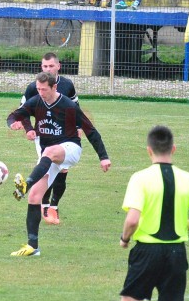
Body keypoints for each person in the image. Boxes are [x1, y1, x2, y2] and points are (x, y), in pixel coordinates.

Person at [7, 72, 111, 256]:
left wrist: (103, 156)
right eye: (38, 89)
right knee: (35, 197)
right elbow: (14, 115)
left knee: (48, 152)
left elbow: (91, 131)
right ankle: (33, 247)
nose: (40, 92)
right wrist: (13, 123)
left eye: (44, 89)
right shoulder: (36, 101)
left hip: (70, 149)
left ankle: (25, 185)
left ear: (54, 87)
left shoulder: (68, 105)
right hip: (50, 156)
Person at [119, 125, 189, 301]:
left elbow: (132, 220)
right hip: (176, 253)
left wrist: (125, 239)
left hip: (147, 251)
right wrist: (183, 225)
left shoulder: (140, 178)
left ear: (149, 150)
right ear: (173, 149)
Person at [20, 53, 78, 225]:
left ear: (58, 66)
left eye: (51, 66)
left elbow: (76, 108)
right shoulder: (33, 87)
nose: (48, 69)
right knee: (48, 169)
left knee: (63, 171)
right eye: (45, 66)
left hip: (65, 135)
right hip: (44, 135)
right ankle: (45, 206)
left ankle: (54, 206)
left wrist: (78, 127)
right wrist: (29, 129)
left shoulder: (67, 85)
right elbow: (22, 111)